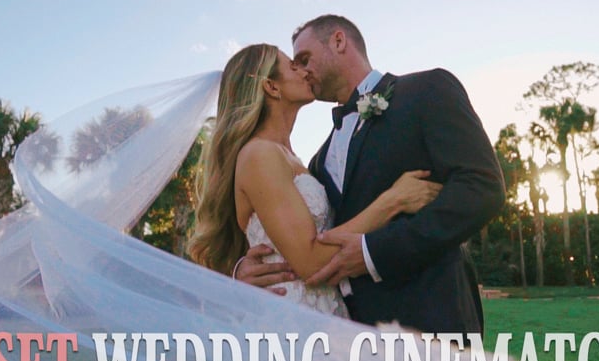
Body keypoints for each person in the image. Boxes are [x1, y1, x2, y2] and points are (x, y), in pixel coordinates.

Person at [235, 15, 505, 335]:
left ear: (338, 41)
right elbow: (304, 239)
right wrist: (244, 271)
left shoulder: (427, 90)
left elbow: (482, 188)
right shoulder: (317, 161)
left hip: (431, 323)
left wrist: (373, 252)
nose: (302, 70)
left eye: (304, 59)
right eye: (294, 65)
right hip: (350, 336)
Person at [188, 43, 443, 318]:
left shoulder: (297, 160)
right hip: (291, 318)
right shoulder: (259, 154)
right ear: (271, 87)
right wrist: (394, 201)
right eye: (293, 65)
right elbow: (309, 261)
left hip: (326, 312)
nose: (304, 70)